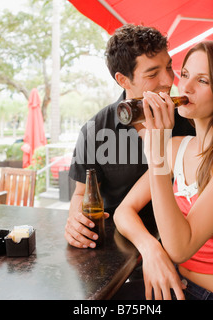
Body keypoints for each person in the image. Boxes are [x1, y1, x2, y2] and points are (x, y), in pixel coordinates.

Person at [114, 41, 213, 300]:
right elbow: (123, 212)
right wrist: (151, 250)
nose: (185, 87)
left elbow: (180, 247)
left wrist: (157, 157)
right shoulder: (177, 147)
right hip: (180, 285)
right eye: (184, 75)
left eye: (203, 81)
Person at [65, 24, 195, 249]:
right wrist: (75, 221)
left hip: (178, 244)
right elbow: (81, 194)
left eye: (169, 66)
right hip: (114, 247)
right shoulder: (95, 130)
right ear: (123, 80)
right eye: (153, 74)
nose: (167, 80)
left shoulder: (189, 122)